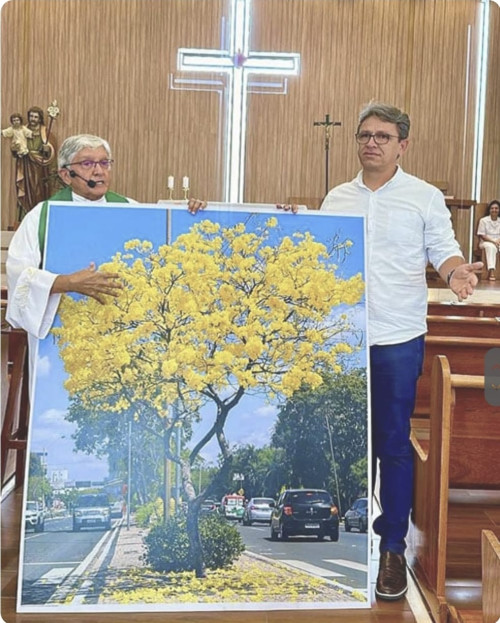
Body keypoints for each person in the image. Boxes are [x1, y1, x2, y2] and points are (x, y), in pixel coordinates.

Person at [320, 102, 482, 601]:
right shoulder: (337, 198)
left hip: (396, 336)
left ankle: (392, 548)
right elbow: (316, 250)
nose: (372, 142)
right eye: (365, 135)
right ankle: (346, 539)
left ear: (402, 145)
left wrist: (456, 272)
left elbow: (444, 247)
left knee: (392, 443)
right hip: (343, 338)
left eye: (383, 136)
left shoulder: (424, 197)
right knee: (347, 444)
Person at [6, 133, 206, 385]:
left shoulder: (131, 209)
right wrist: (66, 283)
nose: (99, 171)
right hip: (64, 331)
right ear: (66, 174)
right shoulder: (41, 216)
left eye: (104, 162)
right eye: (88, 164)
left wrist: (190, 213)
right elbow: (19, 273)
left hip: (124, 328)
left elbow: (163, 257)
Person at [14, 106, 58, 219]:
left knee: (38, 191)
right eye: (31, 116)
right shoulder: (22, 131)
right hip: (25, 165)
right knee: (26, 191)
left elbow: (52, 149)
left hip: (40, 169)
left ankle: (38, 216)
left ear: (40, 118)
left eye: (35, 117)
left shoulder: (45, 133)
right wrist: (15, 149)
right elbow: (16, 147)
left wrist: (47, 148)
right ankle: (25, 216)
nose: (33, 119)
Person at [477, 199, 500, 281]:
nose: (494, 210)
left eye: (496, 208)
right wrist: (494, 242)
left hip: (498, 242)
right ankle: (491, 271)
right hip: (486, 242)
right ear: (489, 210)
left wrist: (498, 241)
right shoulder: (483, 220)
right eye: (492, 208)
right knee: (491, 247)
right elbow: (482, 235)